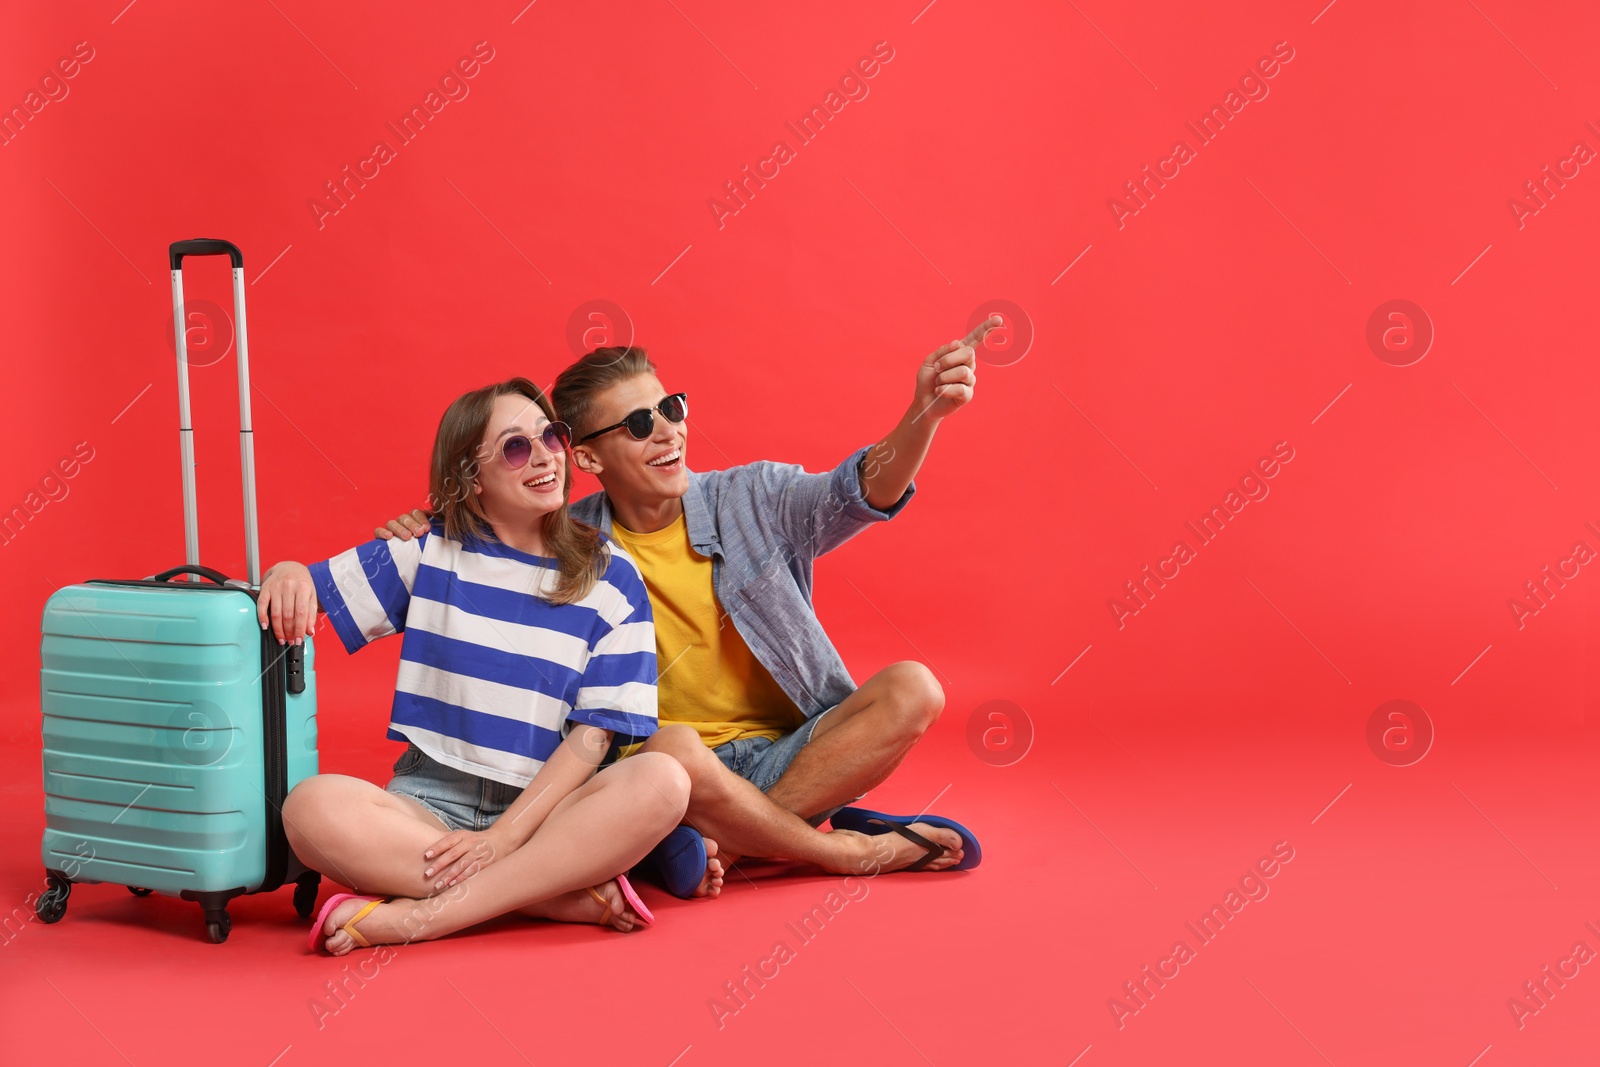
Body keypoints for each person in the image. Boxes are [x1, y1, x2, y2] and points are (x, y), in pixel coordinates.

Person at [380, 321, 996, 896]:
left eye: (670, 409)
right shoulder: (562, 545)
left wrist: (923, 415)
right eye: (639, 425)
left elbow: (858, 492)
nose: (669, 431)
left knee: (914, 688)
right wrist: (428, 529)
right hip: (661, 774)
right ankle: (839, 847)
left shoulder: (753, 497)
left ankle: (728, 848)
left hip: (792, 751)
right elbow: (484, 550)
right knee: (674, 748)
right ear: (588, 458)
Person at [263, 377, 690, 955]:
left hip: (545, 814)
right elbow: (305, 596)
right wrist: (287, 569)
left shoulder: (611, 576)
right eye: (516, 448)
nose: (544, 458)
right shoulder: (428, 549)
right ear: (471, 479)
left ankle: (427, 919)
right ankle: (544, 894)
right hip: (429, 806)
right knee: (310, 808)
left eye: (551, 437)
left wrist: (507, 837)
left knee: (663, 781)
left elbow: (595, 738)